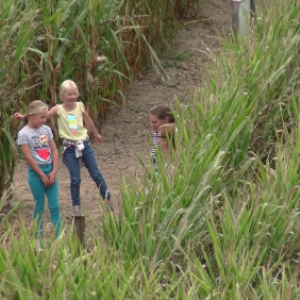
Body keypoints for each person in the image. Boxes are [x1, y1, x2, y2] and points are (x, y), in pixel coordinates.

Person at [15, 80, 111, 216]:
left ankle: (107, 196)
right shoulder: (58, 109)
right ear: (62, 96)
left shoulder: (80, 106)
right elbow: (39, 115)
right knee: (75, 178)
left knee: (95, 173)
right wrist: (23, 117)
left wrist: (96, 133)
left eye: (75, 94)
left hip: (84, 144)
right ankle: (76, 205)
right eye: (69, 94)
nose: (72, 97)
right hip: (70, 148)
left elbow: (88, 120)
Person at [16, 100, 61, 247]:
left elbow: (54, 150)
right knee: (39, 207)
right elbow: (28, 157)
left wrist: (54, 171)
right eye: (42, 117)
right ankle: (38, 242)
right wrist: (41, 175)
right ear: (31, 116)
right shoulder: (24, 134)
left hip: (50, 170)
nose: (44, 120)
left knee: (55, 207)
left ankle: (58, 239)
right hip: (36, 174)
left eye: (45, 117)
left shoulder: (46, 130)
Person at [149, 105, 174, 170]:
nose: (152, 125)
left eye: (154, 122)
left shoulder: (173, 134)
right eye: (151, 122)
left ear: (166, 119)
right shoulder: (157, 132)